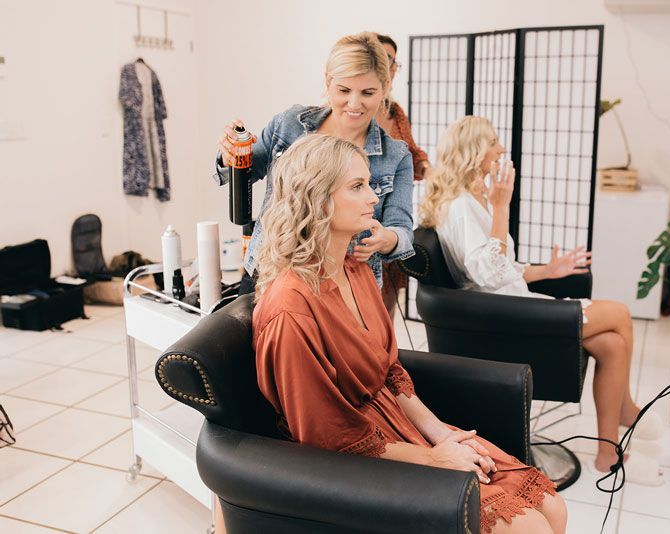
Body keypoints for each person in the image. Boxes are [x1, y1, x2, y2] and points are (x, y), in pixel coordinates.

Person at [253, 133, 568, 534]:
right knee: (530, 529)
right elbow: (326, 438)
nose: (373, 197)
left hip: (400, 426)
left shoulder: (356, 268)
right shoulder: (290, 310)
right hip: (352, 462)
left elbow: (390, 371)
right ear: (316, 199)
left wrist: (440, 434)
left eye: (369, 182)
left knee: (552, 508)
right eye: (357, 186)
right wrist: (435, 460)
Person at [419, 116, 665, 486]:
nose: (501, 149)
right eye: (493, 142)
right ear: (472, 152)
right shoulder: (459, 207)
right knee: (620, 313)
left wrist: (549, 270)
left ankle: (606, 452)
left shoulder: (474, 198)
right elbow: (486, 273)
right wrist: (502, 208)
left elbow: (500, 270)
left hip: (511, 307)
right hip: (501, 322)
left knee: (612, 344)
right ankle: (627, 409)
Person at [213, 32, 414, 294]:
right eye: (343, 90)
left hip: (346, 284)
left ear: (385, 88)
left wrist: (388, 239)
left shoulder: (396, 156)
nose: (354, 104)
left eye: (368, 92)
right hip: (272, 274)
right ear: (328, 82)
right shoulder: (289, 125)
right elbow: (240, 174)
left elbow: (403, 230)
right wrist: (230, 157)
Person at [374, 33, 430, 314]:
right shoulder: (349, 110)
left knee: (386, 308)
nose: (388, 66)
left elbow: (411, 150)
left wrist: (429, 170)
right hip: (360, 223)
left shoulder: (395, 112)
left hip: (393, 219)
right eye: (381, 58)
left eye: (392, 61)